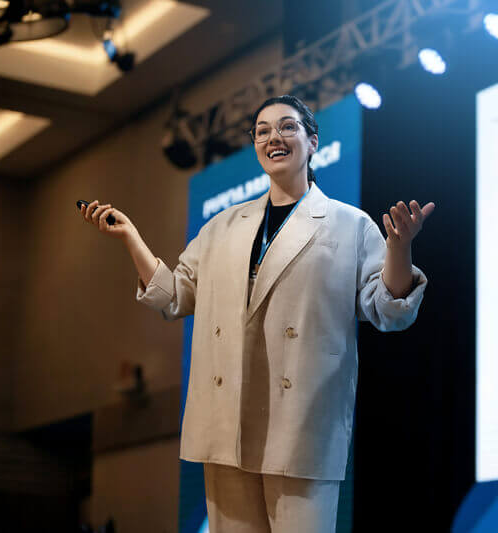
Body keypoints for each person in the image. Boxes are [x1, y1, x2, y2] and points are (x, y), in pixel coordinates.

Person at [80, 94, 434, 532]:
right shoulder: (222, 227)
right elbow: (175, 296)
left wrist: (399, 248)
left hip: (303, 427)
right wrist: (132, 237)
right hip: (225, 424)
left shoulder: (349, 224)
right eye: (262, 130)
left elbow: (388, 308)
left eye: (287, 127)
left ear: (313, 142)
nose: (274, 137)